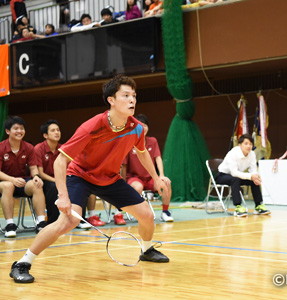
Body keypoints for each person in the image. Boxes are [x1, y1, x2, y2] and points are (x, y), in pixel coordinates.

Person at [10, 75, 169, 284]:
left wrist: (157, 178)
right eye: (126, 95)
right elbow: (60, 162)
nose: (132, 100)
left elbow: (142, 152)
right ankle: (22, 262)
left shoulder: (137, 127)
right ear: (111, 100)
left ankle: (147, 250)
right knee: (69, 220)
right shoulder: (93, 126)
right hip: (80, 176)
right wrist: (63, 197)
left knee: (147, 215)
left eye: (134, 96)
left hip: (109, 178)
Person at [0, 116, 47, 238]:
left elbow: (33, 167)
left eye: (21, 128)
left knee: (36, 185)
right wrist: (12, 179)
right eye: (16, 128)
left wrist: (36, 176)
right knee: (8, 185)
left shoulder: (28, 147)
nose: (19, 131)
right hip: (4, 182)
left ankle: (41, 222)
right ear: (7, 131)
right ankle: (10, 225)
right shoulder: (1, 148)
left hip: (22, 181)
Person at [122, 114, 173, 223]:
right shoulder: (128, 142)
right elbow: (124, 165)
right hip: (134, 178)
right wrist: (123, 182)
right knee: (137, 187)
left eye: (145, 125)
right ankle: (139, 213)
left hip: (150, 177)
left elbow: (158, 158)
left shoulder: (152, 141)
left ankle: (165, 212)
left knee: (166, 183)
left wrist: (161, 175)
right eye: (140, 125)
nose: (143, 128)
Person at [215, 133, 270, 217]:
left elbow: (253, 170)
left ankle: (258, 206)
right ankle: (238, 207)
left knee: (253, 180)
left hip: (236, 176)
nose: (249, 146)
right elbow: (234, 173)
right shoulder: (233, 153)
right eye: (246, 143)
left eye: (250, 144)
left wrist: (255, 176)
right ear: (240, 145)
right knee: (235, 179)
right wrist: (250, 176)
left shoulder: (252, 154)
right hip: (222, 176)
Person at [34, 120, 62, 225]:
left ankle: (80, 219)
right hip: (45, 181)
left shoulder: (63, 148)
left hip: (59, 179)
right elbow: (40, 173)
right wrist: (57, 180)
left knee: (77, 184)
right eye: (53, 130)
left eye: (58, 130)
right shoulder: (38, 149)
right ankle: (53, 220)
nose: (57, 133)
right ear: (45, 135)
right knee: (53, 186)